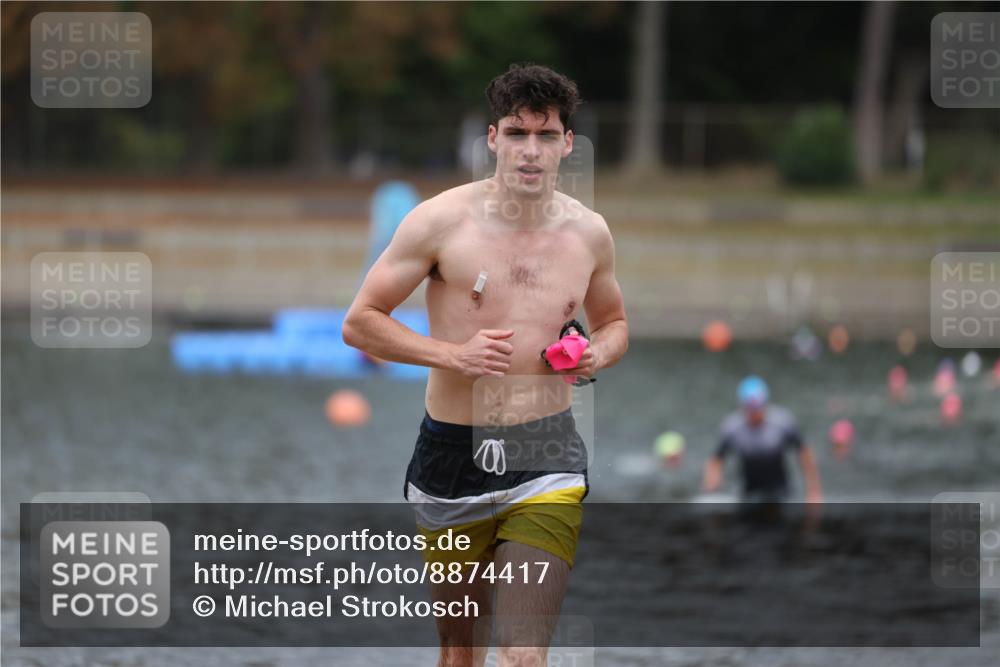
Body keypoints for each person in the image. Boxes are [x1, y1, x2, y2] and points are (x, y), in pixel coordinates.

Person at [343, 63, 628, 667]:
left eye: (546, 136)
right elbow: (360, 321)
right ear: (493, 139)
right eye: (516, 134)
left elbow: (615, 324)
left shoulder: (590, 234)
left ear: (567, 144)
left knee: (524, 655)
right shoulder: (438, 222)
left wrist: (597, 352)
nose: (531, 151)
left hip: (546, 456)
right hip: (450, 456)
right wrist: (452, 354)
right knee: (461, 652)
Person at [702, 376, 823, 504]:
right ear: (743, 406)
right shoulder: (732, 427)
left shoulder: (783, 422)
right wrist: (712, 482)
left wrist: (814, 492)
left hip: (780, 490)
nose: (755, 412)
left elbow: (804, 453)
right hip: (748, 491)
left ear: (765, 403)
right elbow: (716, 459)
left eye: (758, 407)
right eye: (750, 407)